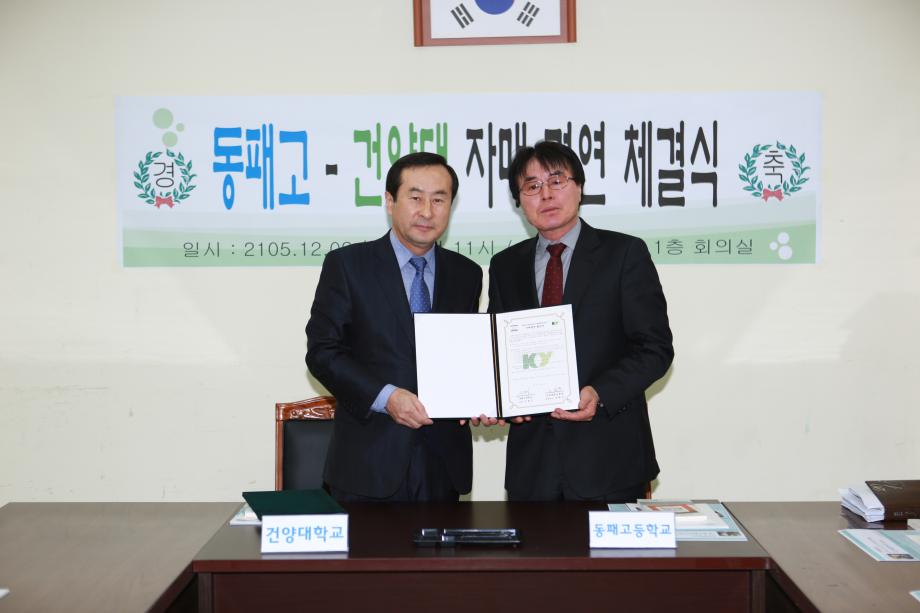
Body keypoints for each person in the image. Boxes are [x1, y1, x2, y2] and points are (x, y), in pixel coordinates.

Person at [487, 140, 673, 502]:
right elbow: (497, 352)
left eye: (557, 180)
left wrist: (599, 393)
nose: (546, 194)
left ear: (579, 187)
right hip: (532, 469)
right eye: (532, 186)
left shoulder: (624, 254)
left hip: (610, 459)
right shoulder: (505, 266)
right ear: (519, 200)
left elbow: (655, 349)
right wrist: (493, 398)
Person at [305, 152, 482, 502]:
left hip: (443, 466)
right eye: (415, 198)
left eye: (439, 200)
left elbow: (466, 355)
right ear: (390, 201)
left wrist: (484, 396)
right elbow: (322, 352)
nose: (427, 211)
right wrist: (387, 398)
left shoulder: (467, 274)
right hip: (368, 464)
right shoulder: (348, 265)